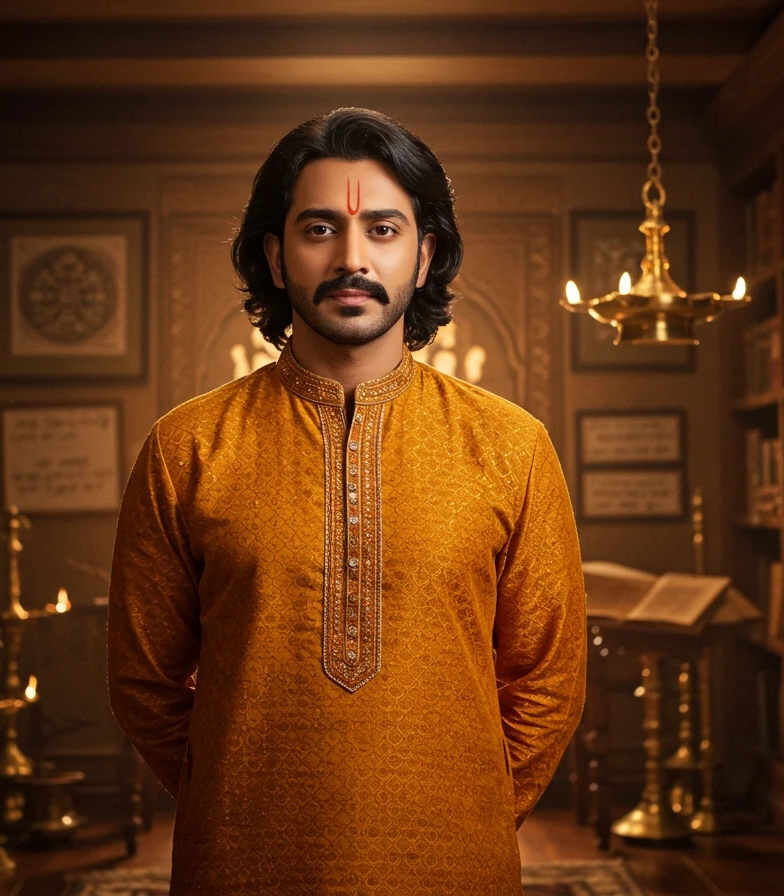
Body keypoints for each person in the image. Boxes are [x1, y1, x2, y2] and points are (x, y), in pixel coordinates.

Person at [108, 107, 586, 896]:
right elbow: (143, 679)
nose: (353, 258)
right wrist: (233, 796)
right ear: (273, 254)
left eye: (386, 232)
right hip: (241, 866)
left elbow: (548, 677)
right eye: (320, 229)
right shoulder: (186, 447)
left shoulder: (511, 445)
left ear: (426, 256)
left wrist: (470, 810)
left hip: (456, 866)